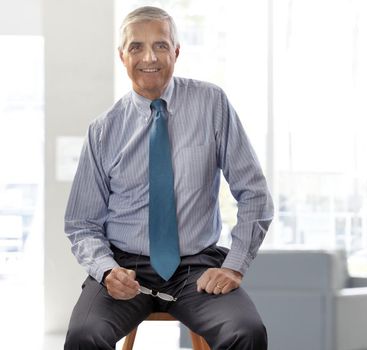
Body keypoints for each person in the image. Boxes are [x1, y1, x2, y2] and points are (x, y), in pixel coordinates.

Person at [63, 6, 273, 350]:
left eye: (160, 45)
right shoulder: (103, 130)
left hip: (197, 268)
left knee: (246, 332)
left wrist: (234, 266)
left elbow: (254, 193)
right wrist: (105, 270)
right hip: (123, 268)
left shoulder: (212, 104)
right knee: (84, 338)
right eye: (136, 47)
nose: (150, 57)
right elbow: (81, 222)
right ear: (122, 56)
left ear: (176, 51)